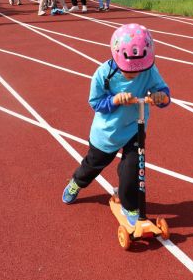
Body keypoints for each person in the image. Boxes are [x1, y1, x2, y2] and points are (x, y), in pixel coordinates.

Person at [61, 24, 171, 228]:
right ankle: (76, 182)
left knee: (133, 169)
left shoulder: (148, 70)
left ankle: (129, 206)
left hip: (134, 129)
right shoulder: (103, 74)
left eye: (138, 71)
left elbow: (164, 92)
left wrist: (160, 97)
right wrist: (115, 100)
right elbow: (95, 103)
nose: (134, 75)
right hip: (107, 133)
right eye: (129, 71)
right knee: (92, 166)